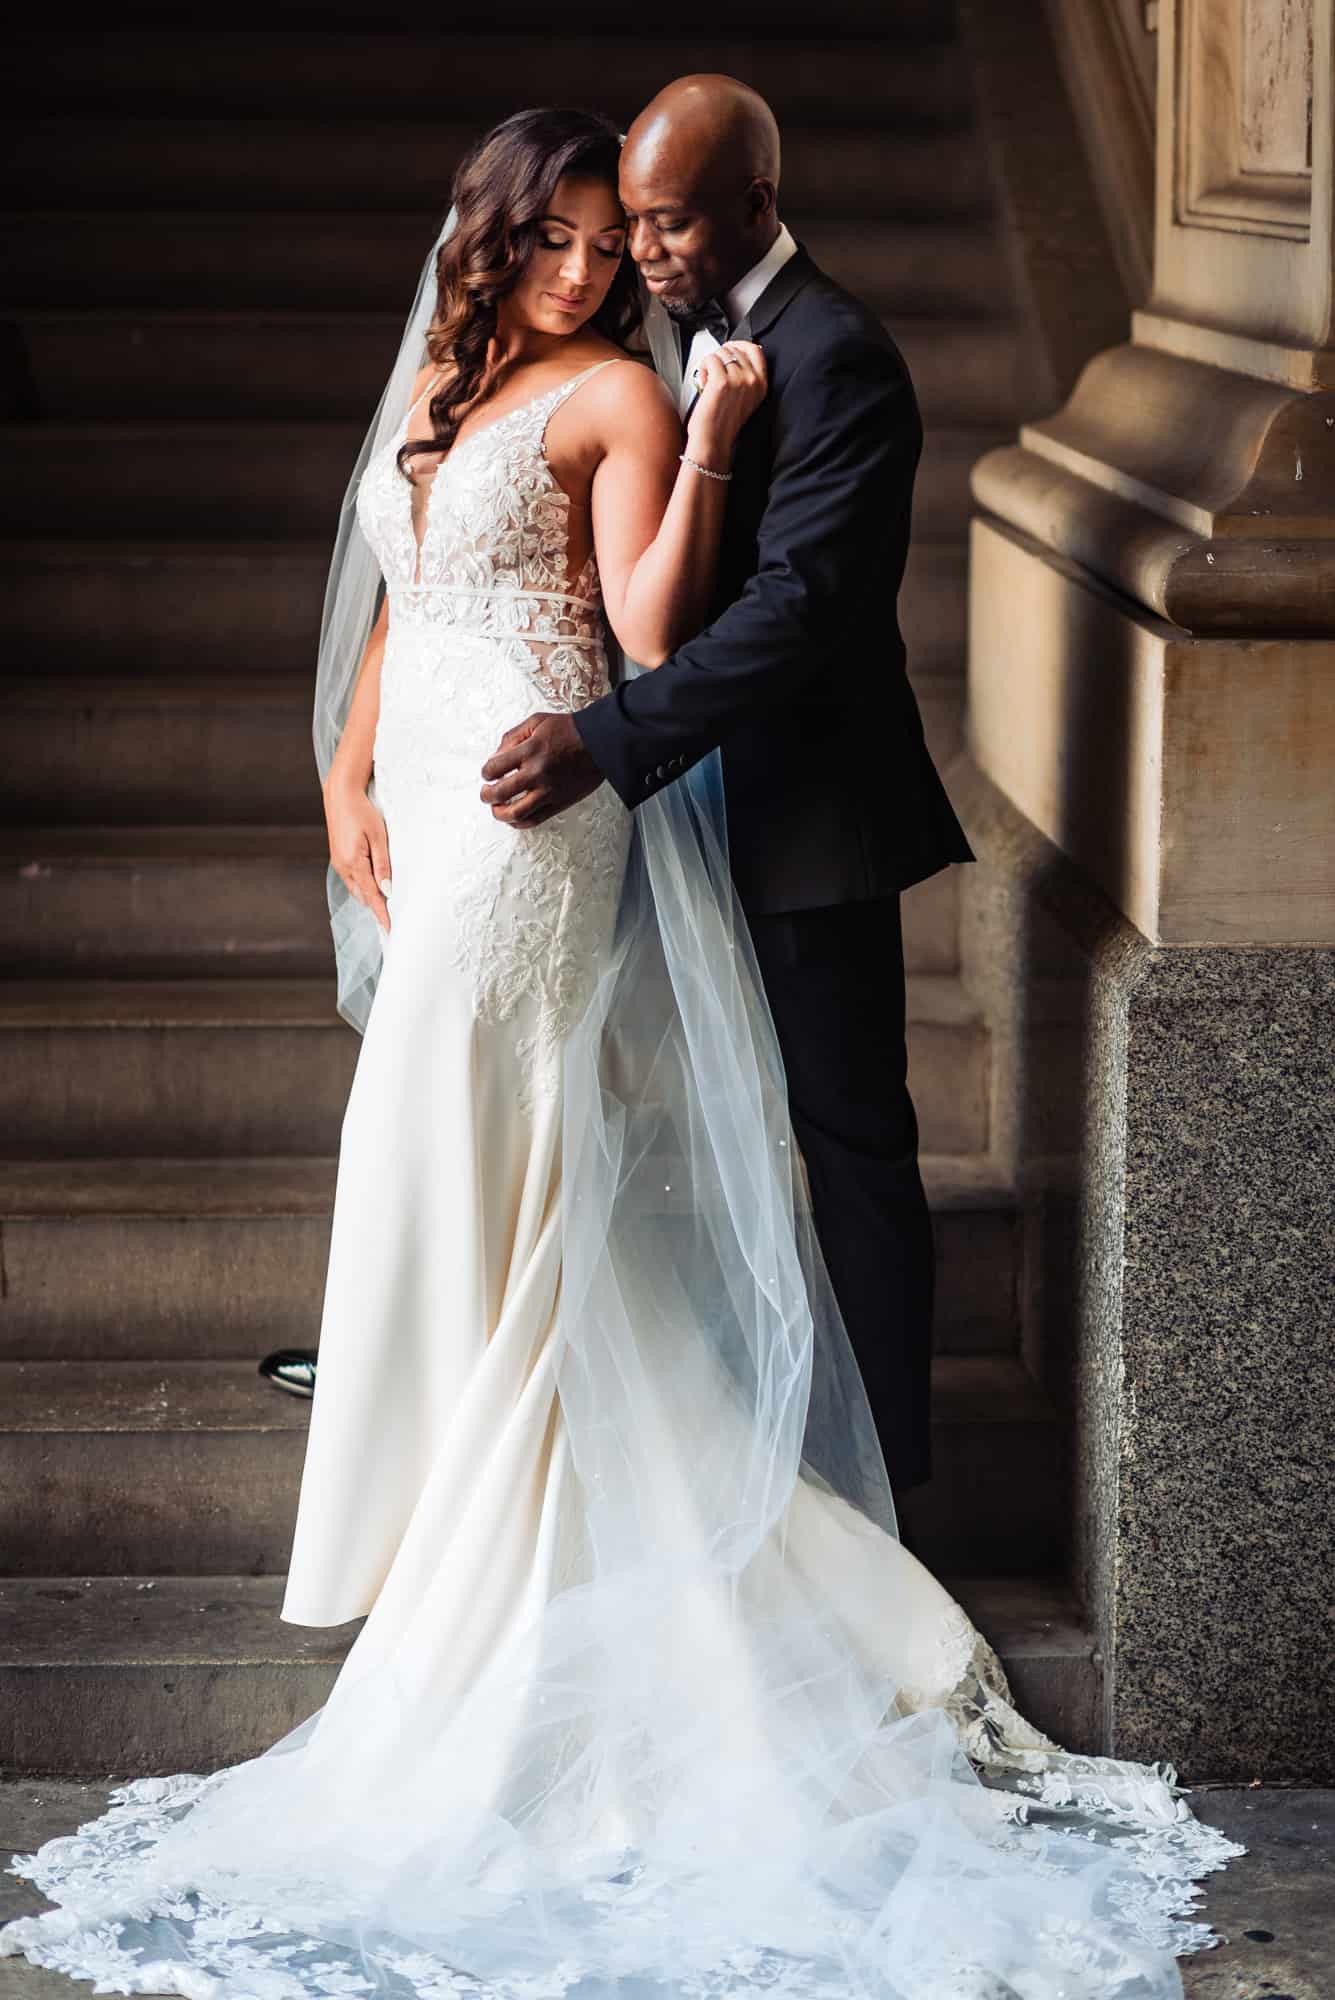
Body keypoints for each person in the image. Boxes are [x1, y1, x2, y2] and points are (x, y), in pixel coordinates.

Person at [1, 104, 1242, 2000]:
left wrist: (716, 457)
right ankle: (451, 1493)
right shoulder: (447, 364)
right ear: (492, 236)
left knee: (545, 1140)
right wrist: (343, 770)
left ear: (736, 208)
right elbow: (406, 591)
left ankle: (535, 1513)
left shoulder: (677, 389)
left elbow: (671, 621)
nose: (602, 270)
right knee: (457, 1156)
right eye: (571, 240)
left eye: (629, 237)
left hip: (544, 804)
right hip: (433, 779)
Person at [480, 77, 973, 1497]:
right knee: (664, 1129)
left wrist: (605, 734)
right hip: (679, 817)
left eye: (671, 222)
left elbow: (795, 608)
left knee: (852, 1149)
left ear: (759, 202)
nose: (640, 251)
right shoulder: (671, 322)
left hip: (807, 820)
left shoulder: (843, 356)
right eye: (629, 221)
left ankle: (891, 1491)